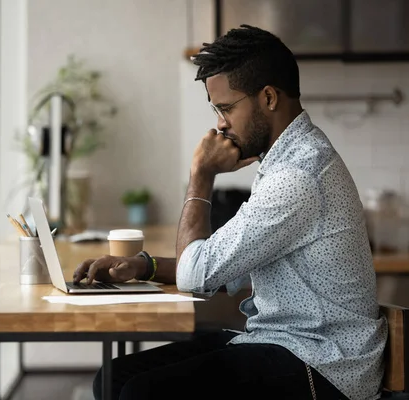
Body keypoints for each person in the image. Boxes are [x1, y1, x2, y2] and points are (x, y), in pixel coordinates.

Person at [73, 24, 387, 400]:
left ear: (268, 97)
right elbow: (221, 268)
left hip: (325, 364)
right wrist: (146, 266)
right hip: (283, 343)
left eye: (225, 108)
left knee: (142, 393)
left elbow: (196, 276)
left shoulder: (297, 176)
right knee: (114, 379)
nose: (220, 123)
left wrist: (201, 174)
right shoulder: (286, 162)